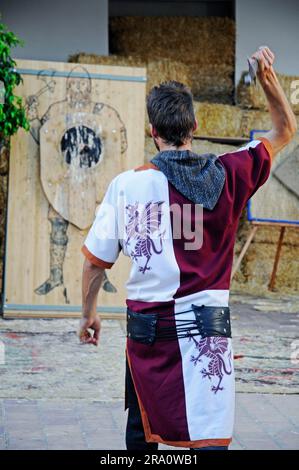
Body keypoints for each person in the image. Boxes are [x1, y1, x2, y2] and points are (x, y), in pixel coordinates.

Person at [78, 46, 297, 450]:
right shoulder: (231, 174)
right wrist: (269, 81)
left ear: (152, 132)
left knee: (142, 436)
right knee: (206, 438)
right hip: (207, 333)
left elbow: (95, 265)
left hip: (148, 333)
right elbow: (285, 131)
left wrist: (88, 315)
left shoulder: (127, 186)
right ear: (195, 125)